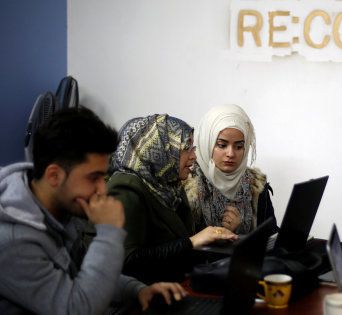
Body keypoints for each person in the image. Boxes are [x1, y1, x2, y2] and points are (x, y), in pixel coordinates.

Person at [0, 107, 186, 314]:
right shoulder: (13, 241)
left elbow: (85, 276)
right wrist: (109, 231)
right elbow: (78, 309)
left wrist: (137, 290)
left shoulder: (64, 210)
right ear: (54, 176)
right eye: (93, 177)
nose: (102, 189)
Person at [107, 114, 237, 285]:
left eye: (193, 148)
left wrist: (216, 234)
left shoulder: (168, 184)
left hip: (176, 285)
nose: (193, 156)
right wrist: (192, 242)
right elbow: (127, 262)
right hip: (142, 297)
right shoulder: (126, 189)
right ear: (159, 150)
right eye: (186, 148)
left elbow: (179, 244)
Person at [185, 104, 277, 235]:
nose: (231, 154)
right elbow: (181, 246)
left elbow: (271, 233)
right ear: (207, 142)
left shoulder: (255, 185)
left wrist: (239, 233)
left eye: (239, 147)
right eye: (222, 145)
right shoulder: (187, 185)